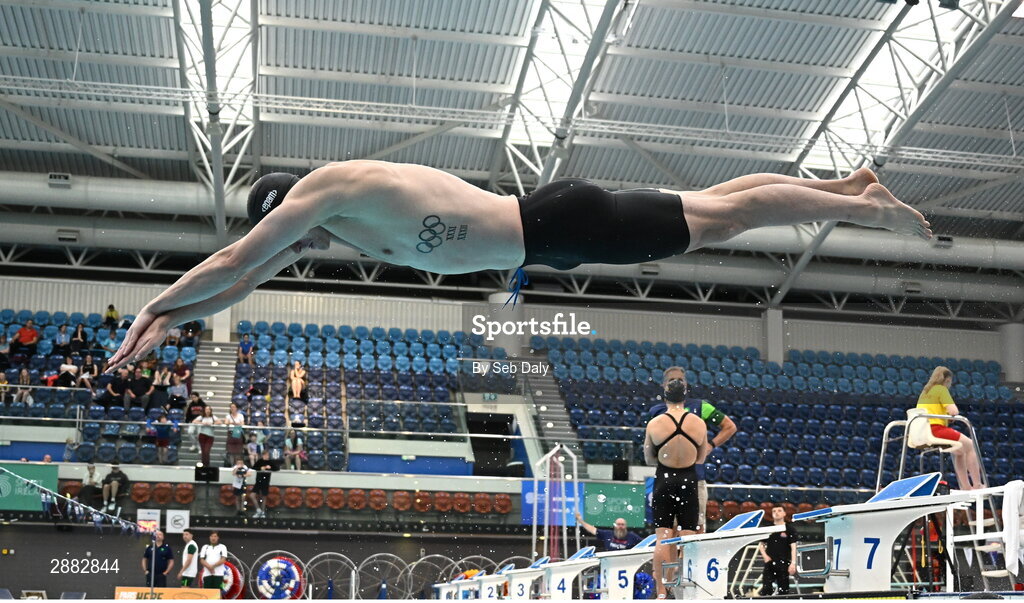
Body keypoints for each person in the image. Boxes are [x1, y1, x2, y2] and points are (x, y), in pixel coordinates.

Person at [106, 162, 931, 369]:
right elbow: (249, 276)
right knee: (714, 210)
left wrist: (152, 305)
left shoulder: (329, 190)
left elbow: (234, 258)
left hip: (551, 221)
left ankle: (860, 204)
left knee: (724, 218)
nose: (298, 247)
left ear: (283, 206)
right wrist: (174, 321)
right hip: (551, 232)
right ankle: (844, 187)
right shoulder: (340, 221)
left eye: (288, 231)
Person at [649, 367, 737, 532]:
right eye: (672, 380)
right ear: (663, 385)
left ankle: (692, 558)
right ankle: (673, 559)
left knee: (696, 526)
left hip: (695, 477)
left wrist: (711, 444)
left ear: (686, 384)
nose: (676, 383)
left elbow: (729, 426)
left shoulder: (700, 406)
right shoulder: (657, 412)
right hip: (666, 477)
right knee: (670, 530)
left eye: (680, 380)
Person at [645, 378, 707, 599]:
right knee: (688, 536)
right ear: (686, 396)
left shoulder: (655, 423)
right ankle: (683, 588)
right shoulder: (698, 423)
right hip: (688, 479)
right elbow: (701, 457)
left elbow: (648, 457)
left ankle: (661, 591)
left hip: (664, 478)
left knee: (663, 536)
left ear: (664, 395)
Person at [917, 366, 983, 490]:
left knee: (959, 451)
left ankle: (966, 487)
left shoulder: (925, 391)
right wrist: (950, 414)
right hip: (935, 429)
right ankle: (977, 484)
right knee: (970, 445)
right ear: (947, 380)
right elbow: (954, 411)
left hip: (922, 431)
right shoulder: (941, 389)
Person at [757, 506, 798, 596]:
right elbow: (761, 544)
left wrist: (793, 563)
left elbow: (793, 547)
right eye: (774, 511)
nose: (776, 512)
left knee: (783, 589)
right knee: (766, 588)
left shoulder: (789, 529)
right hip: (770, 562)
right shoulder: (769, 529)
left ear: (784, 513)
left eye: (779, 510)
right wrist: (765, 557)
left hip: (783, 562)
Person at [574, 512, 644, 551]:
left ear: (626, 526)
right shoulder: (607, 534)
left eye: (622, 524)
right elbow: (592, 529)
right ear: (615, 526)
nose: (620, 527)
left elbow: (644, 543)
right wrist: (581, 521)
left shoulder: (632, 536)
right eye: (618, 524)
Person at [251, 449, 277, 519]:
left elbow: (277, 468)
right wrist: (260, 468)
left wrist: (270, 467)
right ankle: (258, 510)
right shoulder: (259, 461)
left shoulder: (270, 462)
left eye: (268, 455)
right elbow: (253, 467)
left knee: (264, 497)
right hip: (258, 481)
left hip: (265, 482)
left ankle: (262, 512)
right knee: (252, 495)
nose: (267, 456)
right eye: (266, 455)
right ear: (263, 455)